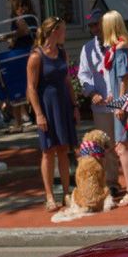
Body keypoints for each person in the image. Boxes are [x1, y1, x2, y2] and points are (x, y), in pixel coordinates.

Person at [26, 16, 78, 211]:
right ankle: (49, 195)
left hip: (62, 104)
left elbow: (67, 81)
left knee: (64, 149)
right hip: (47, 106)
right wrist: (38, 114)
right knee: (48, 151)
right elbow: (31, 88)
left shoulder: (62, 53)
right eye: (62, 30)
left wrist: (74, 105)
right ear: (54, 31)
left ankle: (66, 192)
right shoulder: (36, 57)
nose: (64, 34)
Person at [98, 10, 128, 205]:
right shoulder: (119, 48)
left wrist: (121, 102)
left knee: (122, 147)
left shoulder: (122, 48)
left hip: (122, 103)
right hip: (120, 99)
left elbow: (125, 77)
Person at [77, 10, 118, 191]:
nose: (94, 28)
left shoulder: (118, 44)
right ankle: (112, 182)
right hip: (101, 106)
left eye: (97, 24)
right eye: (91, 25)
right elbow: (83, 75)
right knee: (107, 146)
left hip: (120, 102)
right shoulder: (87, 49)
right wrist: (91, 92)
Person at [6, 0, 36, 133]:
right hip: (22, 50)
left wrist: (9, 36)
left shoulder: (21, 12)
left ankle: (21, 119)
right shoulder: (28, 11)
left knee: (16, 85)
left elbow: (24, 30)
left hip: (23, 52)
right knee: (23, 84)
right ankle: (21, 118)